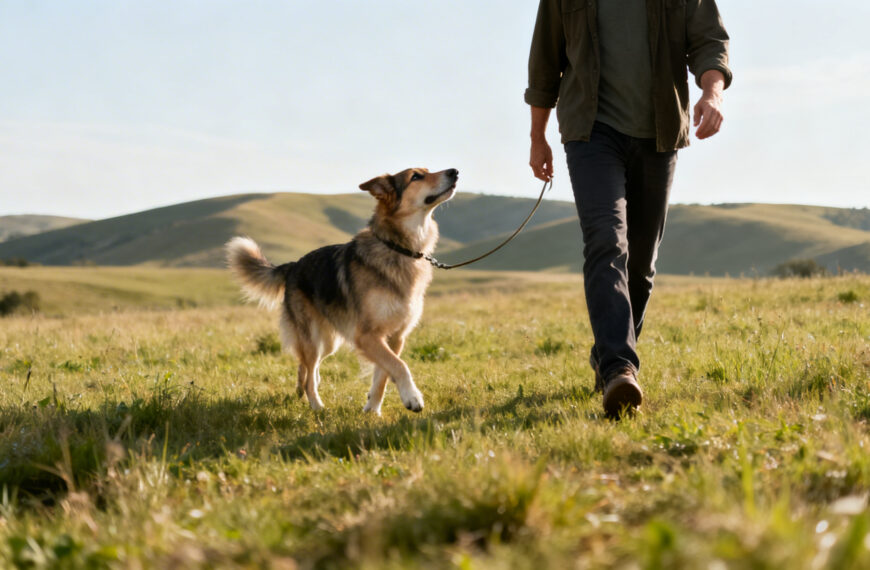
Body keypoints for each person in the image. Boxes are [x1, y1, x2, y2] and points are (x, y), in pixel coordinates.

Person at [525, 0, 731, 417]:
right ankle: (620, 366)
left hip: (659, 131)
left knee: (641, 263)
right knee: (605, 241)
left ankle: (607, 353)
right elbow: (545, 62)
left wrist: (712, 94)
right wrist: (537, 136)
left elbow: (710, 42)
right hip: (590, 133)